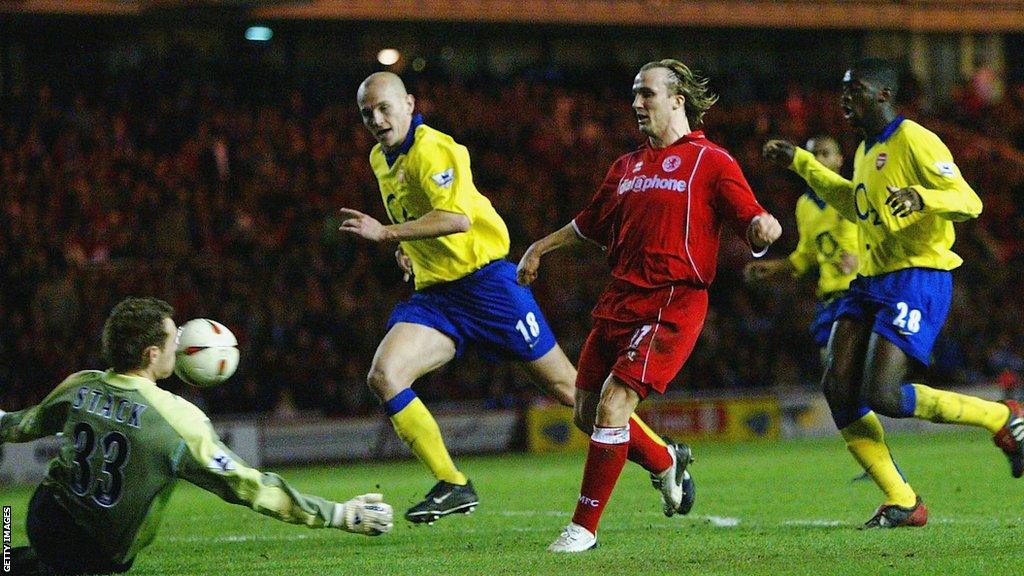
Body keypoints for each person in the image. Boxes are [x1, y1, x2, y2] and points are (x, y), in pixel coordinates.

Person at [342, 72, 674, 525]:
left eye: (384, 108)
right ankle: (453, 484)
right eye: (367, 114)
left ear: (409, 103)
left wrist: (386, 234)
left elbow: (456, 219)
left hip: (488, 286)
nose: (377, 120)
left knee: (571, 393)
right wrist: (408, 247)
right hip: (437, 297)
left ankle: (664, 458)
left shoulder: (432, 149)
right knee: (384, 375)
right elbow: (420, 216)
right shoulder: (381, 159)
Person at [518, 59, 782, 552]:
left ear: (678, 100)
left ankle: (583, 529)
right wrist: (540, 248)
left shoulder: (712, 161)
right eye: (635, 94)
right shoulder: (626, 166)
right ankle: (664, 460)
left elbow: (750, 217)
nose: (637, 103)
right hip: (620, 298)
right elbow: (588, 225)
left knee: (616, 404)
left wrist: (762, 229)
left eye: (648, 94)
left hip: (673, 301)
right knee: (586, 412)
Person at [763, 57, 1024, 528]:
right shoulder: (864, 152)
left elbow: (969, 201)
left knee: (882, 394)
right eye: (842, 90)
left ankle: (1001, 417)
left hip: (917, 276)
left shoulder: (914, 139)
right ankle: (902, 499)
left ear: (883, 94)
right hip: (871, 281)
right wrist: (802, 164)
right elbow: (854, 204)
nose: (845, 98)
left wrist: (924, 197)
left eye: (855, 89)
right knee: (837, 386)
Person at [0, 297, 393, 576]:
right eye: (175, 341)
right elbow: (247, 486)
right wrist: (341, 514)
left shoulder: (79, 385)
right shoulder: (177, 419)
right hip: (99, 553)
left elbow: (20, 426)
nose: (181, 347)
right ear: (153, 355)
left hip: (44, 516)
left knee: (39, 556)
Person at [745, 135, 859, 357]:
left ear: (839, 160)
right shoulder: (804, 205)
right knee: (831, 376)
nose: (818, 159)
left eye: (825, 154)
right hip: (829, 297)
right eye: (813, 154)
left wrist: (862, 258)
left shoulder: (853, 194)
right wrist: (774, 268)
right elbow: (807, 255)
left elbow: (882, 234)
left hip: (860, 293)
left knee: (849, 373)